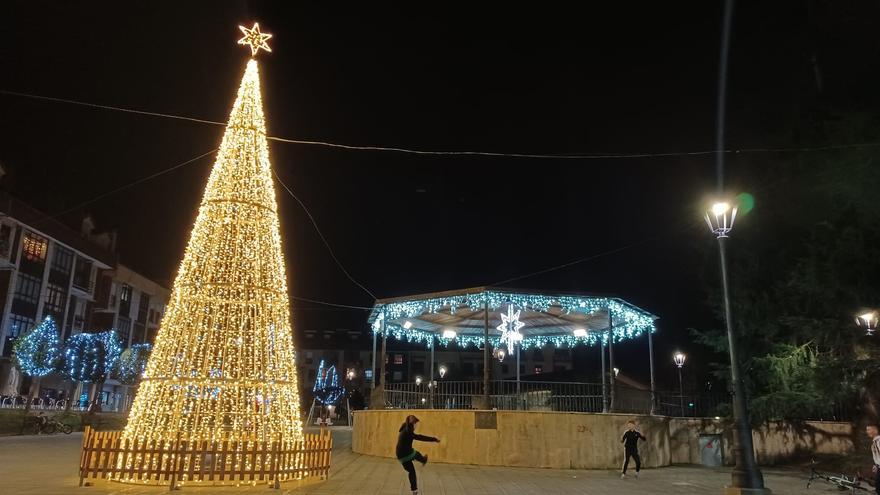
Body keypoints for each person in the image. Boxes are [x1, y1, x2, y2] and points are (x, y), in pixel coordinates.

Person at [396, 415, 440, 495]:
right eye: (416, 424)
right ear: (413, 424)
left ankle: (414, 490)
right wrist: (433, 439)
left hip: (400, 456)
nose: (416, 426)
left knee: (411, 471)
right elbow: (421, 437)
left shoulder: (404, 429)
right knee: (416, 454)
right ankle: (423, 460)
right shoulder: (408, 432)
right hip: (405, 454)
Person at [867, 424, 880, 494]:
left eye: (869, 429)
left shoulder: (879, 442)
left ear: (875, 430)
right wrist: (876, 465)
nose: (867, 431)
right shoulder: (874, 443)